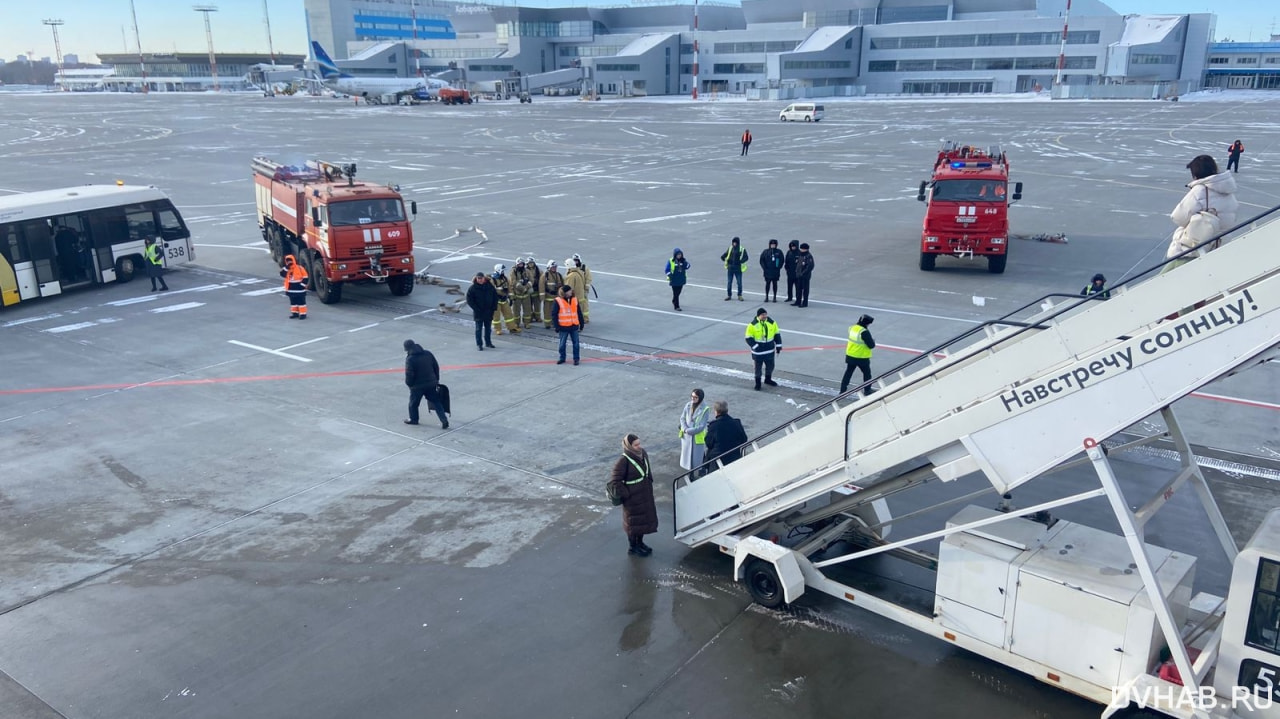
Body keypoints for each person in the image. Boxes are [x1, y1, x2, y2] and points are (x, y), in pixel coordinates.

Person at [1165, 154, 1239, 269]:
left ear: (1196, 174)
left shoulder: (1200, 191)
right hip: (1219, 245)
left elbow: (1178, 217)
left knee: (1168, 274)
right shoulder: (1228, 192)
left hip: (1196, 246)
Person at [608, 433, 658, 557]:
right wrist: (627, 494)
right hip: (632, 499)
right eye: (636, 445)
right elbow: (615, 480)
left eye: (639, 444)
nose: (639, 447)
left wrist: (649, 481)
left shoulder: (643, 453)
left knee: (642, 522)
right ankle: (633, 547)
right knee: (633, 524)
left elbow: (647, 469)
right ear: (629, 445)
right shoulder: (623, 460)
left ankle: (640, 544)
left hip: (644, 495)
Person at [403, 339, 448, 428]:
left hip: (417, 387)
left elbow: (409, 374)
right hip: (431, 383)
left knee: (413, 404)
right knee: (436, 402)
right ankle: (444, 419)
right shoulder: (428, 353)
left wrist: (409, 384)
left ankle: (414, 419)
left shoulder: (410, 359)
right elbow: (436, 367)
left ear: (407, 349)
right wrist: (436, 379)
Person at [703, 401, 748, 470]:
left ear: (716, 411)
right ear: (727, 410)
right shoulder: (736, 423)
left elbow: (709, 443)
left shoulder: (714, 426)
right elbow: (744, 439)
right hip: (734, 457)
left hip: (717, 460)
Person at [745, 307, 782, 390]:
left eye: (765, 314)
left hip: (769, 350)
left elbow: (777, 334)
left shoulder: (772, 323)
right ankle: (758, 383)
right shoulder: (752, 325)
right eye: (763, 315)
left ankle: (768, 379)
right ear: (758, 316)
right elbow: (748, 338)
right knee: (758, 368)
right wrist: (756, 347)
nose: (765, 316)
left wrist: (779, 346)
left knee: (770, 366)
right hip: (758, 352)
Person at [840, 314, 877, 396]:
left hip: (850, 355)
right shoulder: (864, 332)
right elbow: (871, 345)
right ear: (866, 323)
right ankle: (867, 390)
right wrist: (873, 341)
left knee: (848, 373)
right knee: (867, 374)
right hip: (861, 357)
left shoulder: (852, 328)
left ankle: (842, 390)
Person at [679, 388, 712, 477]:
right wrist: (685, 428)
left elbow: (701, 426)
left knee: (696, 458)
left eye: (695, 397)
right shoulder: (688, 405)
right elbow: (682, 418)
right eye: (692, 396)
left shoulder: (705, 409)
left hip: (697, 437)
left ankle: (699, 471)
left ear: (700, 398)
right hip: (687, 436)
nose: (693, 399)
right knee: (689, 457)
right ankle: (691, 474)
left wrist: (688, 431)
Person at [465, 271, 498, 350]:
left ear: (484, 278)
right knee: (478, 329)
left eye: (481, 278)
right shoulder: (472, 288)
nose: (479, 280)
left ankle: (488, 342)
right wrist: (476, 309)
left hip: (488, 312)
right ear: (476, 278)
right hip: (479, 312)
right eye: (478, 278)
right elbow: (469, 300)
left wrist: (494, 307)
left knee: (488, 329)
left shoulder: (490, 286)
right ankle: (479, 344)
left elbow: (495, 297)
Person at [554, 283, 583, 366]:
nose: (571, 292)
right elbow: (554, 314)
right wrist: (557, 326)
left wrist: (581, 323)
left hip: (573, 325)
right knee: (562, 344)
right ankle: (562, 358)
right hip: (564, 326)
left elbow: (579, 312)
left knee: (576, 343)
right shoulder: (558, 301)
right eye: (570, 290)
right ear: (566, 292)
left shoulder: (574, 299)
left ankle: (576, 358)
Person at [490, 264, 519, 335]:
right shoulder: (493, 280)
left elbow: (509, 288)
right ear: (498, 270)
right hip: (496, 301)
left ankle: (512, 328)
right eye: (502, 270)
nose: (503, 272)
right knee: (496, 316)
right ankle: (498, 329)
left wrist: (511, 298)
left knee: (509, 314)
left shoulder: (505, 278)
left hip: (504, 300)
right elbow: (490, 292)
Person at [564, 258, 589, 327]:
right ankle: (579, 325)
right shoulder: (579, 272)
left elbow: (568, 288)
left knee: (574, 313)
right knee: (579, 313)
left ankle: (575, 326)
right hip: (580, 298)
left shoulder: (571, 276)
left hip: (574, 299)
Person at [721, 236, 747, 301]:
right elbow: (725, 254)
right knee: (729, 282)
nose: (734, 244)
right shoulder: (730, 248)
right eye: (733, 243)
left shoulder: (742, 249)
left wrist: (741, 261)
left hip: (738, 268)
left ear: (738, 243)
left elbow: (746, 257)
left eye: (735, 243)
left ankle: (739, 295)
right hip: (730, 268)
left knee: (739, 282)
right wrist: (724, 258)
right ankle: (729, 295)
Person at [510, 259, 534, 329]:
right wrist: (522, 288)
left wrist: (527, 287)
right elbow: (513, 282)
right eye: (519, 264)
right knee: (516, 311)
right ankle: (516, 323)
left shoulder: (527, 271)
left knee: (527, 310)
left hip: (526, 295)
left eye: (522, 264)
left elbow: (531, 280)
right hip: (517, 295)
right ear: (517, 265)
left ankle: (527, 323)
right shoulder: (513, 272)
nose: (521, 265)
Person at [280, 253, 305, 317]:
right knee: (293, 302)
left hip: (299, 289)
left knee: (301, 302)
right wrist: (287, 267)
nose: (289, 262)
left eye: (290, 260)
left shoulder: (300, 268)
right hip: (291, 289)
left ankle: (303, 314)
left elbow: (306, 277)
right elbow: (282, 274)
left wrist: (302, 285)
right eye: (288, 261)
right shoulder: (286, 269)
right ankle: (295, 313)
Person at [540, 260, 564, 328]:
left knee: (556, 311)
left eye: (555, 267)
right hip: (548, 297)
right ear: (549, 267)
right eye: (553, 267)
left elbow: (562, 285)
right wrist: (542, 297)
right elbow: (541, 286)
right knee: (547, 311)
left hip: (556, 297)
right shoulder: (545, 276)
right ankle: (547, 324)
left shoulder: (559, 275)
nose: (554, 268)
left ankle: (554, 322)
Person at [571, 253, 593, 325]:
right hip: (576, 290)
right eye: (574, 261)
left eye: (577, 260)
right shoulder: (572, 268)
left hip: (583, 290)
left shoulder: (584, 268)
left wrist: (586, 289)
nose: (575, 262)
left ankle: (585, 318)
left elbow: (588, 279)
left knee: (584, 305)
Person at [759, 239, 783, 303]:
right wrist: (764, 268)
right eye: (771, 244)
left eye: (774, 244)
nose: (773, 245)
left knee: (775, 284)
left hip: (775, 271)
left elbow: (782, 260)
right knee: (767, 284)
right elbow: (761, 260)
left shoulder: (779, 252)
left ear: (776, 245)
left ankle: (774, 297)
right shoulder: (766, 251)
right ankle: (766, 296)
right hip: (767, 271)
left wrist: (778, 267)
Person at [792, 242, 814, 307]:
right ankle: (798, 301)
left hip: (805, 276)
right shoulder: (800, 255)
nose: (801, 250)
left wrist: (803, 273)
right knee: (798, 289)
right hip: (799, 275)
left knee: (805, 290)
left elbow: (810, 266)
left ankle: (805, 303)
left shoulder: (808, 256)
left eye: (802, 249)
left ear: (806, 249)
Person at [524, 257, 542, 325]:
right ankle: (530, 317)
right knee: (529, 305)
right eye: (529, 263)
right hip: (529, 289)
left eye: (532, 263)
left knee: (537, 305)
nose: (531, 264)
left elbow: (542, 279)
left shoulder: (538, 270)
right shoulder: (525, 271)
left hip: (536, 289)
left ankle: (538, 317)